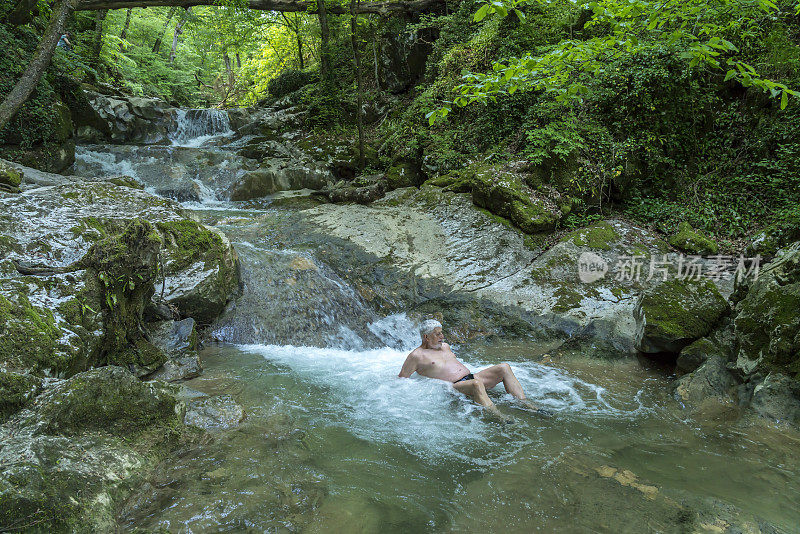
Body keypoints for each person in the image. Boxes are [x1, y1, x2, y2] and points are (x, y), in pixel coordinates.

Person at [398, 319, 542, 416]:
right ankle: (498, 416)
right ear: (426, 337)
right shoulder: (416, 356)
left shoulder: (445, 347)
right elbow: (402, 379)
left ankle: (525, 404)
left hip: (472, 377)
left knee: (504, 367)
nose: (442, 336)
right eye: (438, 334)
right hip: (454, 387)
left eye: (442, 332)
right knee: (476, 384)